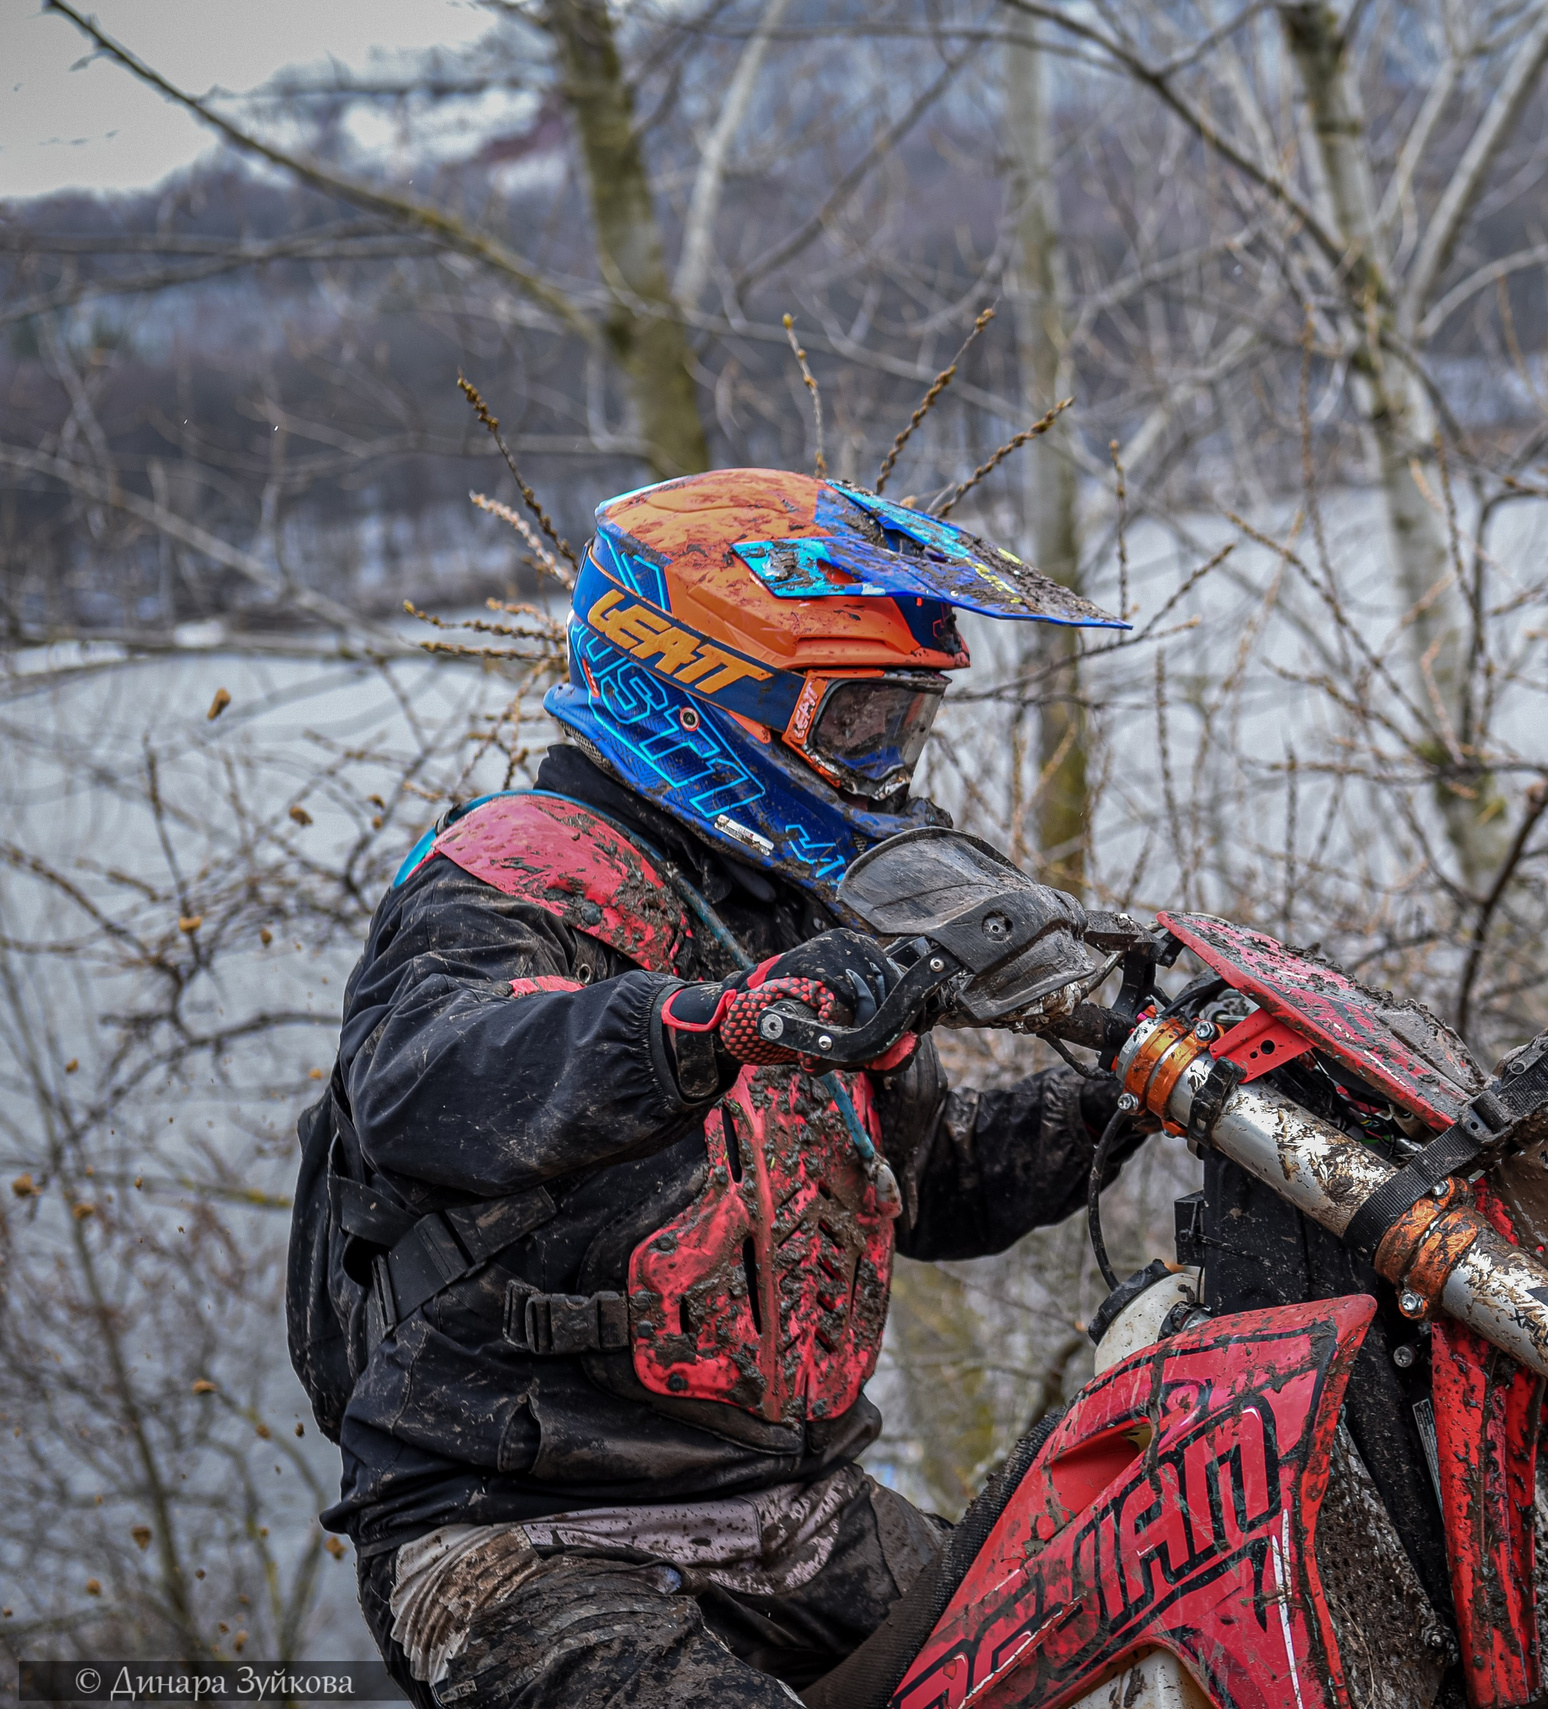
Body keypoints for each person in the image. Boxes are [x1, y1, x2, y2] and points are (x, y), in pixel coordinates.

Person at [290, 469, 1134, 1709]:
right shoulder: (515, 868)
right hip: (523, 1532)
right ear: (696, 686)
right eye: (856, 723)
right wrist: (705, 1025)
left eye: (905, 723)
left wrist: (1123, 1098)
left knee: (1107, 1638)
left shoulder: (788, 897)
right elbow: (428, 1078)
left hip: (800, 1511)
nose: (883, 764)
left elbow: (931, 1182)